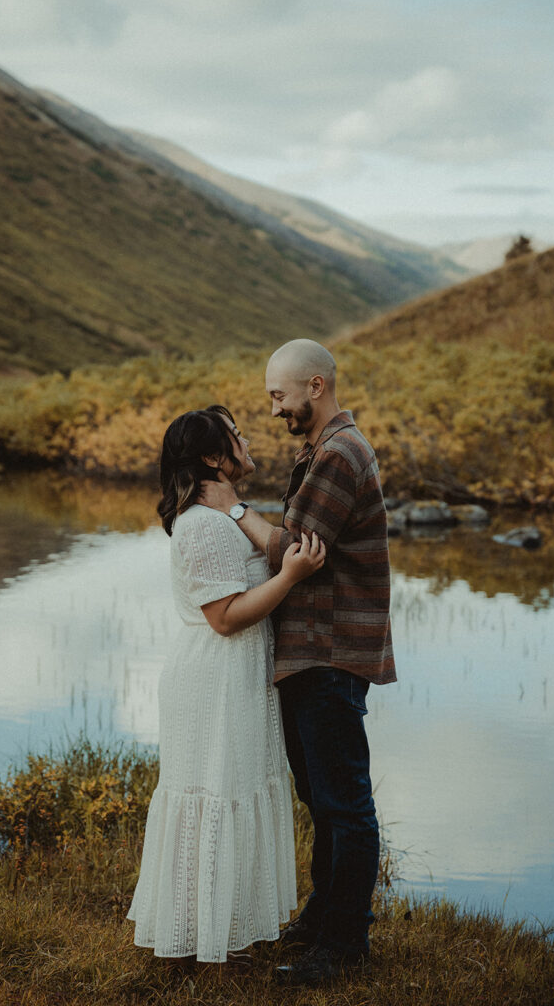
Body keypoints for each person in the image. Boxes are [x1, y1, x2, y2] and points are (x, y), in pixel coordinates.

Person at [199, 340, 397, 987]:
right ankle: (322, 921)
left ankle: (341, 947)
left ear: (315, 386)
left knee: (343, 804)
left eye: (278, 396)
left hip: (329, 652)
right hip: (312, 652)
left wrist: (230, 508)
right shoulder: (323, 450)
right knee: (323, 797)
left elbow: (295, 547)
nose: (275, 409)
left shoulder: (340, 453)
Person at [126, 406, 326, 966]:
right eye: (235, 435)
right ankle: (199, 939)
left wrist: (243, 515)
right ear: (214, 456)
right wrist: (289, 576)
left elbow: (262, 549)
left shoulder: (220, 516)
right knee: (215, 795)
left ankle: (227, 930)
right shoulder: (203, 525)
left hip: (235, 676)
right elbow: (226, 616)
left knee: (233, 790)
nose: (246, 438)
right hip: (214, 678)